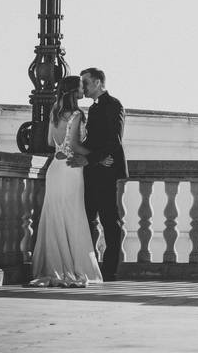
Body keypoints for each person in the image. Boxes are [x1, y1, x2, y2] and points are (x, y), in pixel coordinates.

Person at [28, 75, 109, 287]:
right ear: (74, 91)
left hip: (55, 168)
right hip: (71, 169)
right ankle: (74, 267)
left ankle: (54, 266)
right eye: (81, 86)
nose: (84, 89)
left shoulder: (54, 113)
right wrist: (98, 154)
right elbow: (74, 145)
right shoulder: (77, 114)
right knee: (73, 215)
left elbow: (49, 142)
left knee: (54, 216)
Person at [68, 67, 128, 281]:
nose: (82, 85)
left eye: (85, 81)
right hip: (93, 169)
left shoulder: (114, 105)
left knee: (110, 220)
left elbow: (114, 141)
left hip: (107, 170)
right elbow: (91, 142)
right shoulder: (92, 109)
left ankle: (110, 270)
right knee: (88, 219)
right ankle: (90, 266)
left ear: (98, 83)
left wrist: (91, 158)